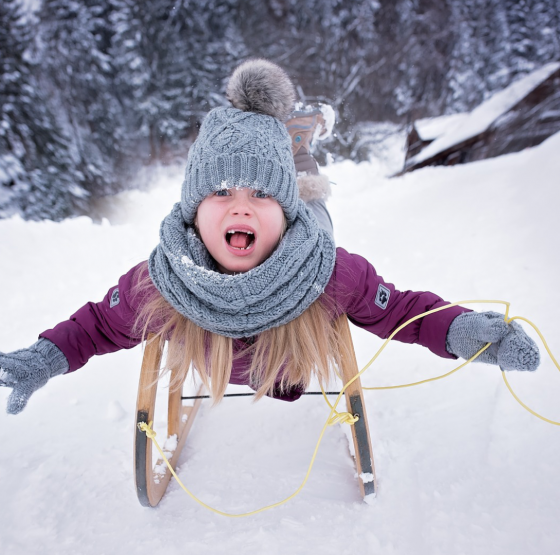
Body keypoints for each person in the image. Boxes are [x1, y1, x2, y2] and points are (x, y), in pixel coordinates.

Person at [0, 59, 540, 415]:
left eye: (261, 196)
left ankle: (295, 148)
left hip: (302, 241)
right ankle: (287, 143)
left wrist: (473, 333)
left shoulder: (328, 272)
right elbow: (96, 325)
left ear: (283, 214)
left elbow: (402, 311)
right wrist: (43, 358)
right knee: (280, 177)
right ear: (192, 214)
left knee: (309, 193)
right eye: (221, 195)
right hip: (263, 244)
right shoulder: (163, 282)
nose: (240, 206)